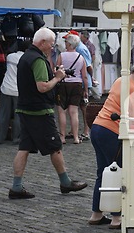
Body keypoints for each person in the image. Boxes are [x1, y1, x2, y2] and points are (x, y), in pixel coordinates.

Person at [8, 27, 87, 199]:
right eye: (51, 44)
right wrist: (58, 77)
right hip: (39, 110)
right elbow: (42, 86)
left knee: (24, 147)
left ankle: (16, 187)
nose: (52, 47)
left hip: (25, 108)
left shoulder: (26, 57)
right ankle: (65, 183)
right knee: (55, 147)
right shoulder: (37, 59)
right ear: (42, 43)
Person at [89, 53, 134, 229]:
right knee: (121, 173)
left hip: (98, 127)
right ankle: (117, 218)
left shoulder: (121, 80)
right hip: (112, 131)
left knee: (103, 172)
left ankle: (96, 213)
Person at [56, 34, 89, 144]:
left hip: (64, 84)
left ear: (69, 44)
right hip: (77, 85)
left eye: (66, 42)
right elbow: (84, 75)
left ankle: (62, 137)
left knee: (62, 111)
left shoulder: (62, 55)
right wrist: (86, 90)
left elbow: (57, 70)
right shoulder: (81, 57)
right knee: (74, 112)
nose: (65, 44)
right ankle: (75, 137)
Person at [0, 40, 29, 144]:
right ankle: (16, 138)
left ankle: (0, 137)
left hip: (6, 88)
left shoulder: (10, 57)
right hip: (18, 90)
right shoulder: (27, 59)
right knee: (18, 116)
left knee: (3, 115)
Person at [63, 30, 93, 141]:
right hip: (79, 81)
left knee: (83, 107)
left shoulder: (81, 49)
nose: (65, 43)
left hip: (82, 82)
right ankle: (74, 131)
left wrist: (91, 79)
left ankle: (86, 131)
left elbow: (88, 66)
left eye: (67, 40)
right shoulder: (78, 49)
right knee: (76, 107)